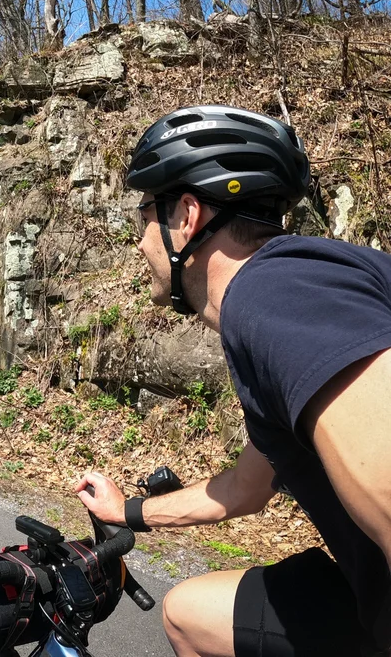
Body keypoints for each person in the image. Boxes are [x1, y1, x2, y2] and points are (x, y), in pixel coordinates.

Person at [74, 105, 391, 656]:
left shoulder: (270, 296)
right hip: (371, 588)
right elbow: (244, 489)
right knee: (191, 614)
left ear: (186, 217)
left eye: (144, 216)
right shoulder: (300, 294)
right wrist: (127, 512)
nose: (139, 241)